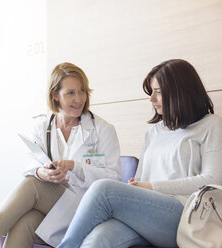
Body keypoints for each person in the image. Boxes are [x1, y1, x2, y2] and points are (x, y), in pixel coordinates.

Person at [57, 59, 222, 248]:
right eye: (151, 92)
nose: (151, 99)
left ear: (180, 92)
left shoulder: (211, 125)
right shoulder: (154, 132)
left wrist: (152, 187)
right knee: (99, 239)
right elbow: (141, 178)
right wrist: (138, 187)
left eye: (158, 93)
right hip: (148, 213)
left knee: (104, 190)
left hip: (186, 214)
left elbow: (212, 180)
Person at [0, 62, 121, 248]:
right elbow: (30, 165)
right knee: (25, 221)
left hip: (87, 208)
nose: (79, 99)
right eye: (71, 93)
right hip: (55, 209)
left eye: (82, 91)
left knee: (32, 184)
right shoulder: (43, 128)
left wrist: (76, 166)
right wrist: (44, 173)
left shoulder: (103, 130)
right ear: (55, 95)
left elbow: (114, 179)